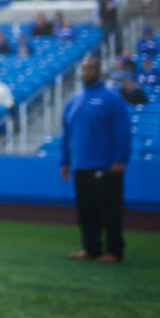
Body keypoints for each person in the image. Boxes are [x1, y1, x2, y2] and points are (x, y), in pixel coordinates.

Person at [60, 56, 131, 263]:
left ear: (99, 70)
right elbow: (66, 133)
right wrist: (64, 161)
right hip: (80, 164)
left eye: (91, 68)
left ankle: (114, 251)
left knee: (110, 211)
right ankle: (91, 248)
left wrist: (120, 158)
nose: (87, 72)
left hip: (106, 165)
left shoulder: (111, 99)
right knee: (86, 211)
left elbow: (123, 132)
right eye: (84, 68)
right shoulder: (73, 100)